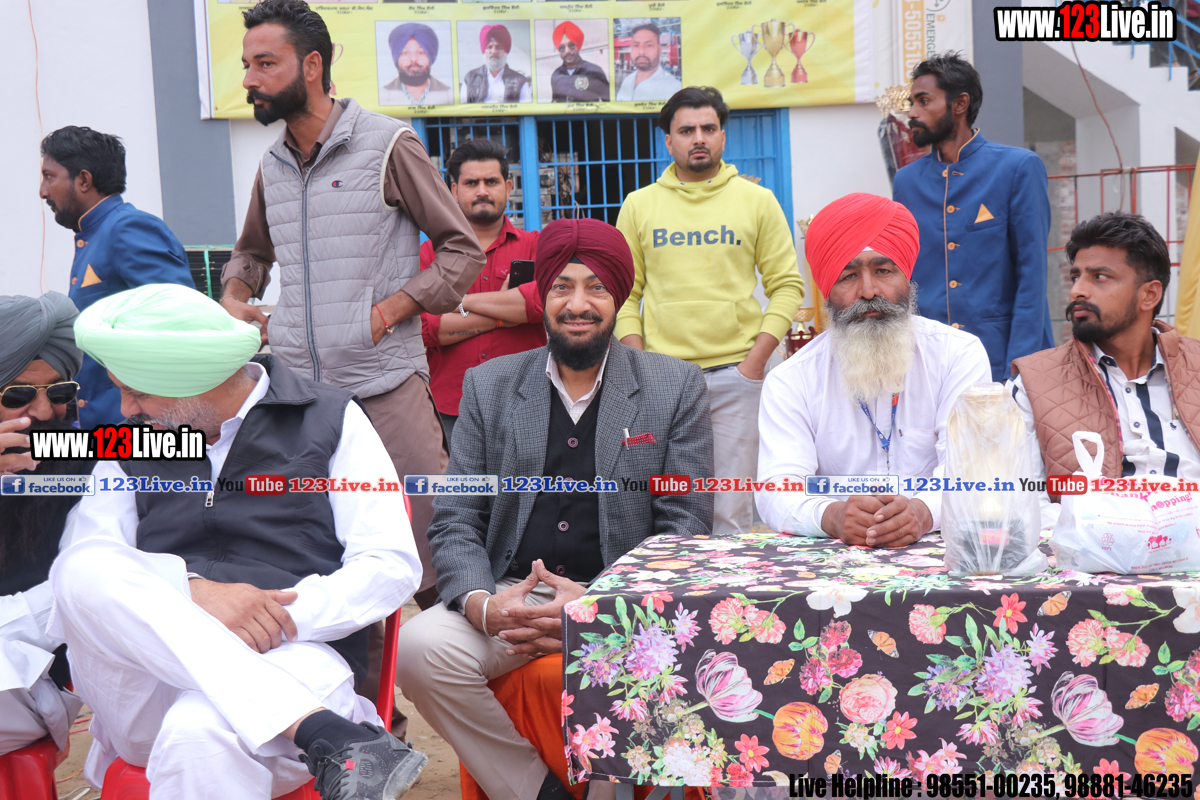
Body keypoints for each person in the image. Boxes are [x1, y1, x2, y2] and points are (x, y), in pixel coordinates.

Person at [54, 283, 425, 800]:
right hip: (147, 682)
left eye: (138, 391)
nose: (125, 407)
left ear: (196, 379)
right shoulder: (133, 440)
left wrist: (273, 618)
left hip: (294, 656)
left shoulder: (330, 419)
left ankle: (314, 725)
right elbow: (91, 572)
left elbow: (390, 565)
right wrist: (193, 593)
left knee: (199, 733)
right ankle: (325, 732)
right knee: (80, 566)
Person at [395, 218, 714, 800]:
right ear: (542, 296)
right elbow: (457, 516)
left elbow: (684, 526)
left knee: (664, 660)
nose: (578, 304)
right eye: (562, 287)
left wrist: (595, 608)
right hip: (513, 596)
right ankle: (537, 791)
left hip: (624, 601)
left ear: (619, 298)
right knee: (418, 651)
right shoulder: (490, 384)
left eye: (597, 288)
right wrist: (485, 607)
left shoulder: (674, 386)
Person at [221, 0, 486, 610]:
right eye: (246, 65)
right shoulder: (272, 164)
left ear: (312, 66)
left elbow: (460, 249)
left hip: (385, 385)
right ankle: (358, 678)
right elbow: (252, 254)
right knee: (322, 559)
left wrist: (389, 312)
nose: (250, 79)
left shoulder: (388, 144)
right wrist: (234, 297)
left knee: (434, 554)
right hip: (300, 401)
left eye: (266, 63)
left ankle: (458, 660)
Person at [616, 86, 803, 536]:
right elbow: (624, 294)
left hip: (736, 377)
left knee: (728, 512)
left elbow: (786, 285)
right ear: (668, 141)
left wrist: (753, 365)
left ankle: (727, 587)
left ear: (722, 135)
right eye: (686, 130)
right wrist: (639, 365)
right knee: (656, 503)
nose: (698, 138)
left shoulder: (757, 201)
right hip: (661, 379)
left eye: (708, 128)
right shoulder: (639, 205)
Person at [756, 193, 991, 547]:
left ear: (906, 277)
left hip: (939, 549)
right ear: (827, 289)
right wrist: (832, 516)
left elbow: (974, 470)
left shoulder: (957, 355)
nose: (869, 291)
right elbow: (777, 488)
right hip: (834, 558)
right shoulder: (791, 380)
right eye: (849, 275)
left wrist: (923, 511)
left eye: (883, 271)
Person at [1010, 212, 1200, 515]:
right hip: (1086, 544)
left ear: (1149, 294)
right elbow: (1025, 500)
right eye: (1076, 276)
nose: (1077, 291)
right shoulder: (1032, 384)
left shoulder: (1195, 367)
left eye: (1099, 277)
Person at [892, 52, 1053, 382]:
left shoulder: (1017, 168)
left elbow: (1032, 278)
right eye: (912, 103)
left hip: (1000, 359)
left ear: (960, 104)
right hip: (930, 366)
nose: (912, 113)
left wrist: (1019, 371)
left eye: (924, 101)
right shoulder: (906, 182)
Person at [39, 126, 193, 427]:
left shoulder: (127, 227)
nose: (43, 191)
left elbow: (179, 321)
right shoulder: (94, 234)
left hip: (135, 427)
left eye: (49, 176)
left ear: (84, 180)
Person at [0, 293, 87, 757]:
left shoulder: (91, 464)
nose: (42, 413)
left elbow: (77, 590)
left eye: (58, 392)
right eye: (17, 394)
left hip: (28, 678)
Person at [420, 139, 544, 449]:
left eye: (491, 181)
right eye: (471, 183)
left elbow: (538, 304)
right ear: (454, 191)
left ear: (508, 187)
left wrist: (460, 302)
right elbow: (427, 328)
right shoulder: (430, 255)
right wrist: (504, 315)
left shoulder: (536, 246)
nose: (482, 191)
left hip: (526, 403)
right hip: (452, 409)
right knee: (460, 484)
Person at [380, 23, 453, 106]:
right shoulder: (382, 95)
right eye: (405, 53)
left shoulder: (449, 94)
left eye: (421, 52)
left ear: (430, 57)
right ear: (396, 58)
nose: (414, 59)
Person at [460, 25, 532, 104]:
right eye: (489, 47)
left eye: (499, 47)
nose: (494, 51)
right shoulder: (471, 78)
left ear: (505, 51)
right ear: (484, 51)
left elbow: (526, 109)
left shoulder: (520, 81)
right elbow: (462, 108)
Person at [615, 24, 681, 102]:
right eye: (636, 45)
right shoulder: (627, 80)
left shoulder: (674, 88)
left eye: (649, 45)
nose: (641, 52)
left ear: (659, 50)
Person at [549, 21, 610, 102]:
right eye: (562, 48)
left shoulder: (595, 71)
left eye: (571, 45)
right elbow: (554, 103)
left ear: (577, 45)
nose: (567, 51)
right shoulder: (556, 75)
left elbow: (609, 103)